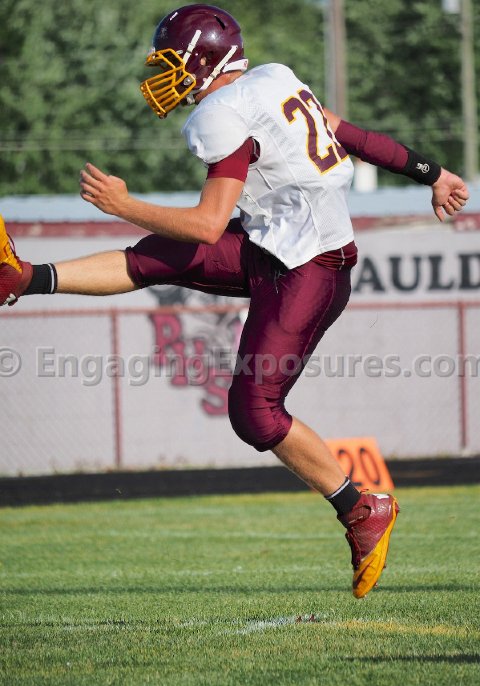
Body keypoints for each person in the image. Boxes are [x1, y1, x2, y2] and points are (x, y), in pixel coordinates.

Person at [0, 4, 469, 598]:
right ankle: (23, 278)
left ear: (203, 60)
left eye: (171, 63)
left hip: (307, 269)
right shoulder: (273, 78)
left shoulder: (222, 113)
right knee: (156, 256)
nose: (161, 78)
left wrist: (122, 204)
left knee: (255, 412)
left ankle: (361, 509)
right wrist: (431, 172)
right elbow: (345, 132)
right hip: (275, 250)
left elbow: (206, 223)